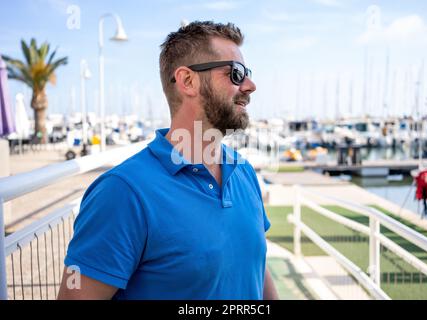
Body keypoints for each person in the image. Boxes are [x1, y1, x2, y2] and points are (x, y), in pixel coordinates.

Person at [57, 21, 278, 300]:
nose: (250, 85)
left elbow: (257, 265)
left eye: (247, 74)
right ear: (187, 81)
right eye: (235, 74)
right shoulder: (123, 192)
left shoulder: (243, 172)